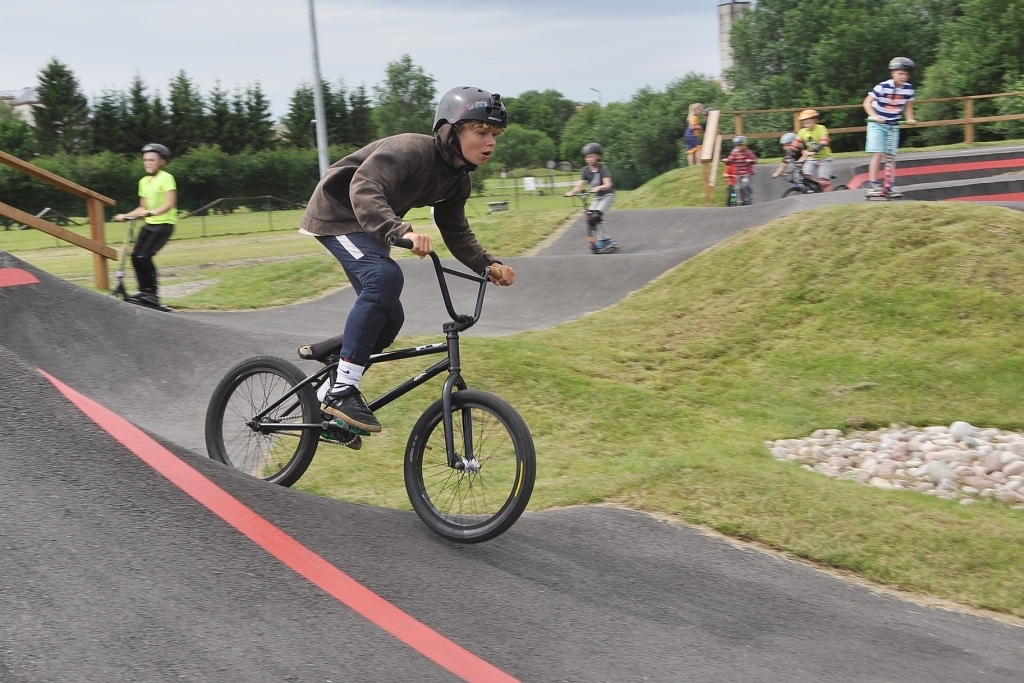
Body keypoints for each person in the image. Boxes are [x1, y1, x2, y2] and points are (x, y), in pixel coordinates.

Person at [299, 86, 516, 441]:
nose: (490, 141)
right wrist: (401, 230)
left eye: (494, 134)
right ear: (450, 130)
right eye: (480, 132)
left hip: (369, 226)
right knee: (384, 278)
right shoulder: (410, 150)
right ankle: (342, 391)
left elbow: (456, 231)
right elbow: (364, 187)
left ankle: (328, 389)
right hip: (337, 215)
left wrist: (487, 264)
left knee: (389, 319)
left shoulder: (457, 180)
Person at [113, 143, 177, 308]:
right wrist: (126, 216)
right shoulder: (143, 181)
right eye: (145, 160)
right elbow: (142, 207)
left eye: (151, 160)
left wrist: (152, 213)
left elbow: (170, 203)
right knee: (135, 257)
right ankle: (144, 293)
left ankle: (152, 294)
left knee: (144, 256)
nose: (148, 163)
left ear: (161, 162)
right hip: (149, 225)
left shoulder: (166, 178)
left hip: (163, 224)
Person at [863, 57, 917, 198]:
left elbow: (908, 106)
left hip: (893, 124)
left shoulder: (909, 89)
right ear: (892, 73)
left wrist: (910, 118)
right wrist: (874, 116)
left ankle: (890, 185)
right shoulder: (882, 86)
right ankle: (873, 184)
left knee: (891, 156)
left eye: (906, 74)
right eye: (900, 73)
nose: (903, 77)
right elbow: (867, 103)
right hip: (877, 124)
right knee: (878, 153)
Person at [565, 142, 616, 254]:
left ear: (599, 156)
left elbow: (608, 185)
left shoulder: (603, 169)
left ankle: (604, 240)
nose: (589, 159)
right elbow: (579, 186)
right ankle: (606, 240)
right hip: (597, 197)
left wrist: (599, 187)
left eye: (592, 156)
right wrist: (572, 192)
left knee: (596, 216)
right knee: (590, 218)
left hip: (607, 195)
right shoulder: (585, 170)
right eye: (587, 157)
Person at [794, 109, 834, 191]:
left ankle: (829, 197)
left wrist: (816, 149)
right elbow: (796, 142)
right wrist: (791, 151)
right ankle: (811, 191)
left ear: (815, 121)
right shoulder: (802, 131)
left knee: (824, 182)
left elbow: (825, 140)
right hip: (811, 158)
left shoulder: (821, 128)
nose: (807, 125)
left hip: (824, 158)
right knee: (804, 177)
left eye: (809, 122)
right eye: (804, 123)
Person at [725, 135, 758, 205]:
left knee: (744, 186)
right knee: (737, 189)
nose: (738, 148)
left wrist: (751, 161)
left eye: (740, 146)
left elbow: (754, 160)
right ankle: (738, 202)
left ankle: (748, 199)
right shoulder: (734, 153)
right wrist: (727, 161)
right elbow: (730, 161)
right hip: (737, 175)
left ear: (744, 145)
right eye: (737, 146)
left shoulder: (748, 152)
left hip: (746, 173)